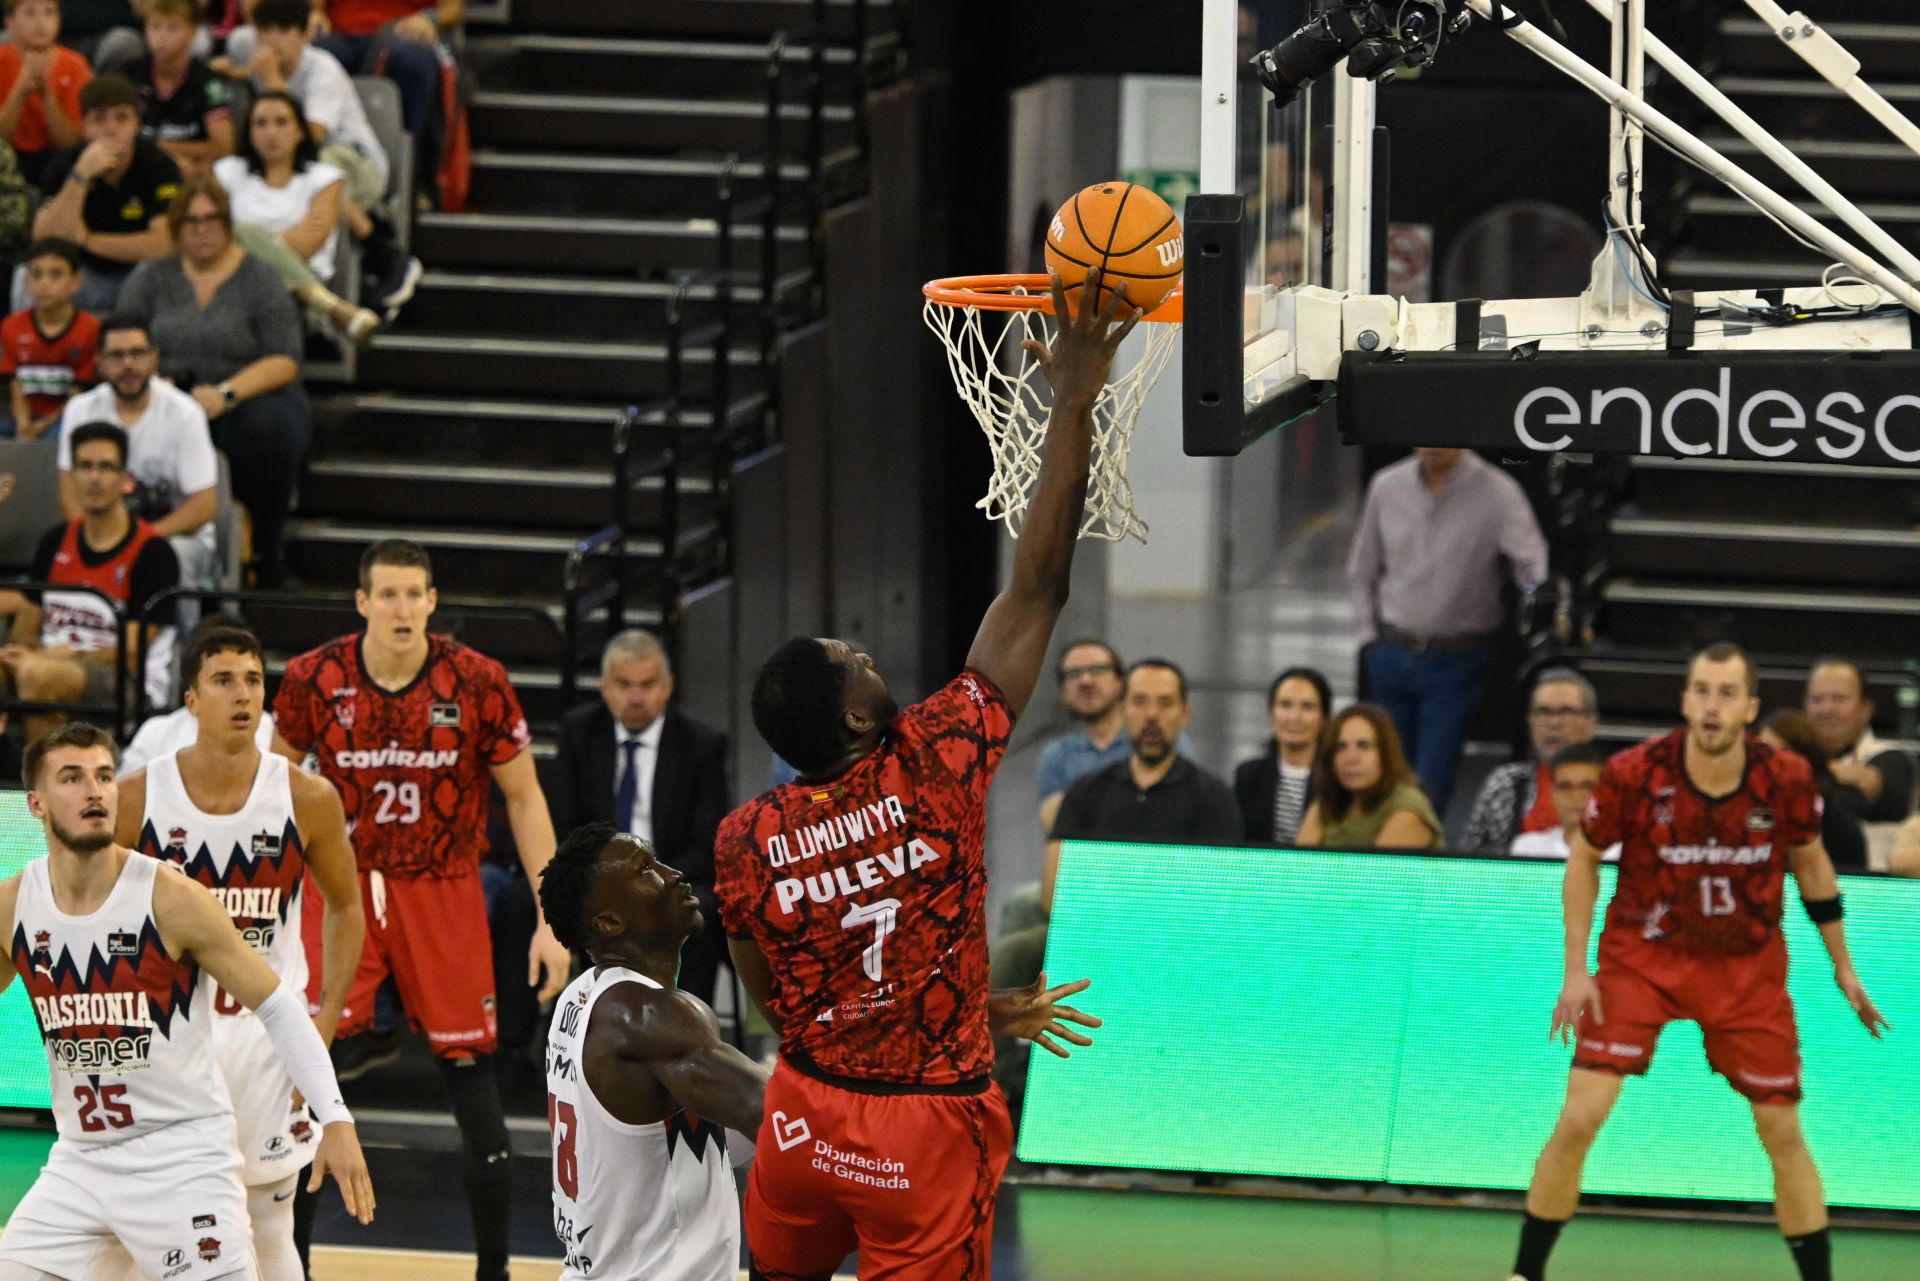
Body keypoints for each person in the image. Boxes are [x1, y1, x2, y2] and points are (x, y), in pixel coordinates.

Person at [713, 269, 1138, 1278]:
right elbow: (1038, 586)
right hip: (925, 1130)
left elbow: (773, 994)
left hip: (806, 1114)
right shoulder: (937, 757)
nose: (868, 651)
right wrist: (1076, 394)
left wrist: (945, 1005)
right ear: (858, 715)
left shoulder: (748, 834)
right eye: (853, 656)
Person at [539, 822, 1099, 1281]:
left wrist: (972, 1011)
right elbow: (783, 1121)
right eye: (645, 873)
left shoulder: (587, 1003)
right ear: (608, 922)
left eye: (657, 860)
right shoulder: (650, 1017)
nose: (671, 874)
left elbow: (723, 1136)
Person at [1510, 643, 1888, 1281]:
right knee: (1581, 1115)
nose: (1713, 706)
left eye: (1727, 694)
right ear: (1686, 701)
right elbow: (1583, 856)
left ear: (1750, 708)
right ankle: (1525, 1273)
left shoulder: (1787, 777)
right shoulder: (1635, 773)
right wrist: (1576, 969)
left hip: (1745, 969)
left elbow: (1812, 860)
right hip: (1643, 960)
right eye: (1703, 692)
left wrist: (1842, 964)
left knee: (1782, 1132)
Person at [269, 537, 572, 1281]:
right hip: (342, 887)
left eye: (416, 593)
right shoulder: (315, 676)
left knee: (471, 1070)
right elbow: (271, 788)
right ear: (362, 601)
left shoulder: (476, 680)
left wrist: (550, 916)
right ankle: (292, 1265)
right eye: (389, 594)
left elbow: (525, 796)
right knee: (308, 1066)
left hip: (442, 884)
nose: (403, 607)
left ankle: (494, 1270)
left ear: (433, 601)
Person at [0, 721, 373, 1279]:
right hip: (80, 1162)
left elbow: (277, 1006)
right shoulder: (14, 905)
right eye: (72, 778)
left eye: (104, 776)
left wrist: (336, 1119)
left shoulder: (171, 898)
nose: (95, 790)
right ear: (35, 804)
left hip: (181, 1162)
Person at [116, 622, 366, 1281]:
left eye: (254, 679)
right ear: (191, 699)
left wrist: (325, 1018)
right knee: (153, 1227)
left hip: (262, 1038)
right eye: (224, 679)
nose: (243, 693)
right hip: (167, 1042)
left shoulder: (306, 797)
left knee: (268, 1225)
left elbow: (345, 905)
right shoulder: (137, 796)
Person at [117, 177, 322, 587]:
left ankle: (264, 550)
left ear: (227, 223)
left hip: (245, 395)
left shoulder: (260, 277)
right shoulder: (151, 277)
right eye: (191, 221)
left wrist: (225, 395)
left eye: (211, 219)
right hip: (165, 394)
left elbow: (284, 358)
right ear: (178, 229)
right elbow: (121, 338)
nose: (202, 229)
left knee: (269, 430)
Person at [1347, 446, 1548, 813]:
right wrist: (1368, 638)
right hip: (1391, 651)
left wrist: (1532, 586)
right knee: (1381, 777)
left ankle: (1418, 864)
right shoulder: (1387, 486)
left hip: (1455, 659)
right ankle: (1383, 863)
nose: (1433, 445)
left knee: (1430, 785)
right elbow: (1363, 568)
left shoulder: (1497, 492)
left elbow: (1534, 566)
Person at [550, 628, 731, 1005]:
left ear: (668, 686)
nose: (636, 697)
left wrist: (650, 882)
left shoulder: (702, 745)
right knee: (525, 904)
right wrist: (611, 879)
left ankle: (690, 1028)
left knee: (700, 914)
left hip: (673, 877)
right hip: (597, 877)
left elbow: (707, 844)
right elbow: (565, 825)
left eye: (647, 685)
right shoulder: (579, 733)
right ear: (604, 687)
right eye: (624, 684)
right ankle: (523, 1051)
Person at [5, 422, 177, 740]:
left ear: (125, 480)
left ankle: (42, 789)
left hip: (125, 680)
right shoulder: (55, 541)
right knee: (28, 670)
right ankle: (8, 788)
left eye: (106, 467)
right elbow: (29, 616)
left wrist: (56, 657)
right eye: (85, 466)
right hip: (49, 661)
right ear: (72, 477)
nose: (95, 478)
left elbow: (133, 648)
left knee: (37, 675)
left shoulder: (154, 552)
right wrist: (22, 649)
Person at [247, 0, 419, 317]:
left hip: (357, 160)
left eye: (284, 31)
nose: (273, 41)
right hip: (300, 163)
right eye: (266, 32)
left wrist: (272, 84)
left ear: (304, 35)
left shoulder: (322, 69)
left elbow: (308, 139)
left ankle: (386, 257)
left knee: (319, 173)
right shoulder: (257, 69)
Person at [1045, 658, 1241, 909]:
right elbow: (1052, 894)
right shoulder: (1086, 791)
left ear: (1184, 715)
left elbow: (1218, 898)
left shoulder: (1214, 799)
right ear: (1123, 711)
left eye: (1165, 703)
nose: (1151, 715)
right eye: (1139, 702)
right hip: (1095, 930)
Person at [57, 315, 218, 588]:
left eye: (137, 353)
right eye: (117, 355)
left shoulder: (185, 413)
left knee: (170, 557)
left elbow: (204, 505)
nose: (128, 364)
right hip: (99, 532)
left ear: (154, 358)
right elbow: (69, 493)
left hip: (173, 536)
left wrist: (136, 542)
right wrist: (101, 541)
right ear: (100, 362)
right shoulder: (80, 410)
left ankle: (177, 633)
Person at [212, 90, 380, 341]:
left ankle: (314, 301)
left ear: (300, 131)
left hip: (291, 293)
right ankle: (329, 306)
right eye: (260, 123)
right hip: (228, 284)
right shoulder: (227, 173)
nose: (271, 132)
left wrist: (245, 243)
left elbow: (306, 244)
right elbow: (211, 239)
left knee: (243, 232)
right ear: (249, 133)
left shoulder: (325, 179)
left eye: (281, 122)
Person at [29, 74, 180, 313]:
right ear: (84, 127)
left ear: (136, 124)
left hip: (137, 276)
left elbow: (164, 245)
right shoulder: (65, 164)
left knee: (161, 272)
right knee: (24, 277)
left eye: (122, 118)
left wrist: (88, 240)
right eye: (99, 119)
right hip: (83, 277)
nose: (111, 129)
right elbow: (44, 237)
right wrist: (80, 176)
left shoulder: (158, 166)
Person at [1462, 667, 1600, 855]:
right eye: (1543, 712)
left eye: (1565, 711)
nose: (1554, 723)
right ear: (1530, 721)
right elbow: (1470, 860)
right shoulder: (1507, 784)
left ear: (1591, 722)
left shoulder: (1618, 787)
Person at [1802, 658, 1917, 866]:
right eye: (1816, 699)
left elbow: (1879, 789)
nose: (1826, 709)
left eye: (1839, 699)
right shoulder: (1791, 758)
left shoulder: (1892, 758)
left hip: (1872, 892)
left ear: (1866, 709)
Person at [1296, 703, 1443, 850]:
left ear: (1386, 754)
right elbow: (1296, 867)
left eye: (1364, 746)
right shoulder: (1328, 803)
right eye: (1340, 747)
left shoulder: (1409, 808)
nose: (1351, 758)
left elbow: (1373, 871)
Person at [0, 237, 98, 439]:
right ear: (26, 282)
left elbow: (79, 393)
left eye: (56, 275)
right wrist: (24, 424)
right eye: (37, 274)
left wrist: (43, 425)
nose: (45, 283)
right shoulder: (11, 326)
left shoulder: (91, 329)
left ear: (75, 282)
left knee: (58, 437)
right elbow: (14, 383)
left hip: (67, 416)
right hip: (23, 416)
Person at [127, 0, 236, 180]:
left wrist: (163, 148)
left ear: (192, 33)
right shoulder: (130, 75)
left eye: (172, 28)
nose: (161, 37)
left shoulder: (207, 82)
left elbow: (224, 147)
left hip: (192, 171)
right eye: (155, 27)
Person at [1758, 709, 1870, 874]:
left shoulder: (1837, 817)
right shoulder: (1740, 808)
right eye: (1765, 753)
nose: (1772, 764)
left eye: (1785, 753)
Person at [1233, 665, 1332, 845]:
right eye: (1285, 705)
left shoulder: (1336, 779)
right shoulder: (1249, 776)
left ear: (1323, 718)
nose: (1295, 717)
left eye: (1307, 707)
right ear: (1272, 714)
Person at [0, 0, 87, 185]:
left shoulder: (75, 65)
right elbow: (1, 141)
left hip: (54, 159)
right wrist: (20, 91)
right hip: (9, 158)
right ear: (10, 22)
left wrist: (47, 94)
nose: (41, 22)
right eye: (30, 13)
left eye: (49, 13)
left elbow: (69, 143)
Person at [1506, 742, 1618, 861]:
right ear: (1552, 793)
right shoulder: (1527, 849)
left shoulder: (1626, 852)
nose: (1576, 796)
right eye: (1565, 786)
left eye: (1588, 786)